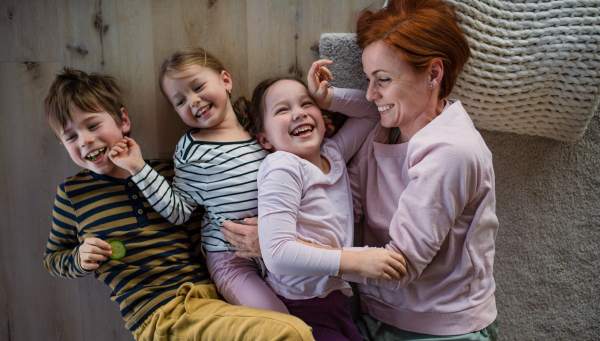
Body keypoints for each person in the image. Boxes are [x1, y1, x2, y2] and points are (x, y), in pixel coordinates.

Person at [222, 0, 499, 340]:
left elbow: (399, 268)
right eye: (368, 79)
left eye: (382, 79)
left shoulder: (452, 152)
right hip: (368, 313)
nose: (370, 93)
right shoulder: (383, 128)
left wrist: (281, 247)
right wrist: (327, 98)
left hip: (439, 327)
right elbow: (344, 201)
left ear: (433, 74)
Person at [41, 67, 314, 341]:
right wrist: (78, 258)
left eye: (92, 125)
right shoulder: (73, 194)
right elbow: (53, 259)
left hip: (208, 297)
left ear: (123, 120)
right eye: (70, 137)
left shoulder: (168, 172)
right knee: (291, 332)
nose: (85, 141)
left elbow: (203, 220)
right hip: (160, 313)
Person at [108, 47, 292, 314]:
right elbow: (179, 210)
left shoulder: (258, 123)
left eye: (198, 87)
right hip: (231, 259)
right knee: (277, 319)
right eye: (180, 101)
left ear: (225, 81)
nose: (193, 101)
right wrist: (138, 167)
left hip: (278, 244)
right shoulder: (191, 149)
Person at [246, 60, 407, 341]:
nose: (299, 114)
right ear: (265, 139)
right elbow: (277, 254)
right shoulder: (282, 166)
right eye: (283, 110)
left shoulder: (333, 154)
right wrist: (357, 262)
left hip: (334, 303)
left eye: (307, 104)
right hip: (299, 308)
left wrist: (328, 97)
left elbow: (373, 111)